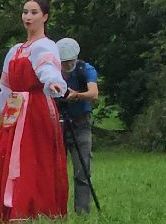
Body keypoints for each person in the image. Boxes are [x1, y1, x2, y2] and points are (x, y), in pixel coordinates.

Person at [0, 0, 69, 221]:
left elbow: (47, 66)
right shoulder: (15, 50)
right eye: (25, 12)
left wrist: (52, 81)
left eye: (33, 12)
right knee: (10, 153)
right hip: (15, 107)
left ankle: (34, 205)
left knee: (32, 154)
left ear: (45, 16)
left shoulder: (45, 45)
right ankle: (10, 206)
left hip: (35, 107)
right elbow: (5, 84)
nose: (28, 17)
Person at [54, 38, 100, 214]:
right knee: (55, 171)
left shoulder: (85, 70)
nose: (67, 65)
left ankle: (82, 212)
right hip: (57, 124)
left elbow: (94, 93)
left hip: (81, 123)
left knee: (82, 171)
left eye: (70, 61)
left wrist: (77, 95)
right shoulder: (52, 72)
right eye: (64, 62)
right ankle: (56, 211)